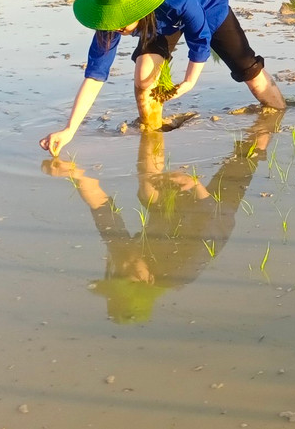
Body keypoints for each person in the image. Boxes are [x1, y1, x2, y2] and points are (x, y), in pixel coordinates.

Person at [40, 112, 279, 323]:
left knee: (148, 190)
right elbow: (214, 219)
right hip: (215, 216)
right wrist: (194, 185)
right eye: (127, 276)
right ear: (149, 280)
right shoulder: (181, 270)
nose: (121, 267)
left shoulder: (125, 258)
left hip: (172, 217)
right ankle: (268, 120)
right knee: (246, 157)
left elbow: (103, 207)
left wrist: (72, 173)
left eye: (115, 276)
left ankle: (152, 129)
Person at [40, 0, 287, 156]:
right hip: (159, 21)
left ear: (136, 7)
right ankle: (153, 141)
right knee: (144, 77)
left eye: (122, 21)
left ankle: (280, 113)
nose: (117, 29)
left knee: (247, 69)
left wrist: (189, 81)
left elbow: (199, 36)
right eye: (112, 22)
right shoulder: (110, 22)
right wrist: (70, 129)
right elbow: (95, 75)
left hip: (204, 0)